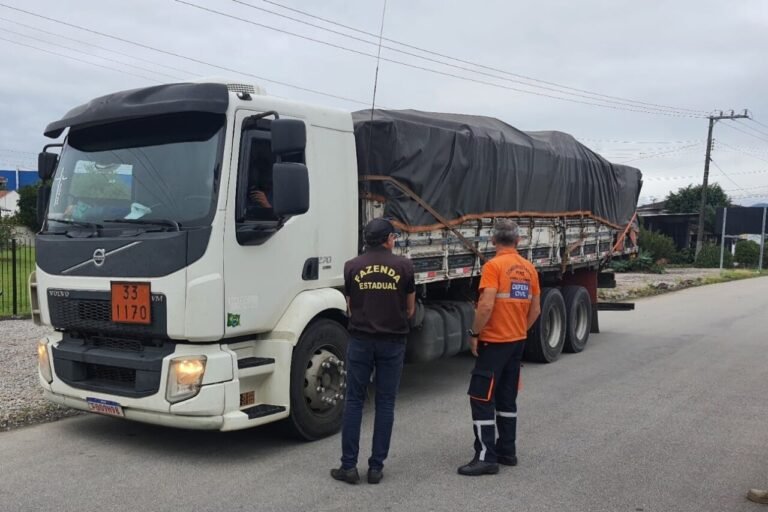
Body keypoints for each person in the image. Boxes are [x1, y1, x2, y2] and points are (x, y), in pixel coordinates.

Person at [331, 218, 416, 485]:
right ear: (388, 239)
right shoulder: (404, 266)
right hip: (393, 341)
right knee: (385, 403)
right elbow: (410, 309)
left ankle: (348, 467)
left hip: (360, 340)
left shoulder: (352, 266)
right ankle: (376, 467)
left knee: (354, 401)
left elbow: (350, 305)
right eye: (394, 237)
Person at [458, 218, 541, 476]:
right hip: (516, 342)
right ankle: (507, 451)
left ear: (493, 240)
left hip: (494, 343)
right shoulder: (529, 269)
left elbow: (486, 305)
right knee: (506, 397)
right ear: (518, 240)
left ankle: (486, 457)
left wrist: (475, 333)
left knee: (481, 397)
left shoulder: (493, 266)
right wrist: (519, 330)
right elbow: (536, 309)